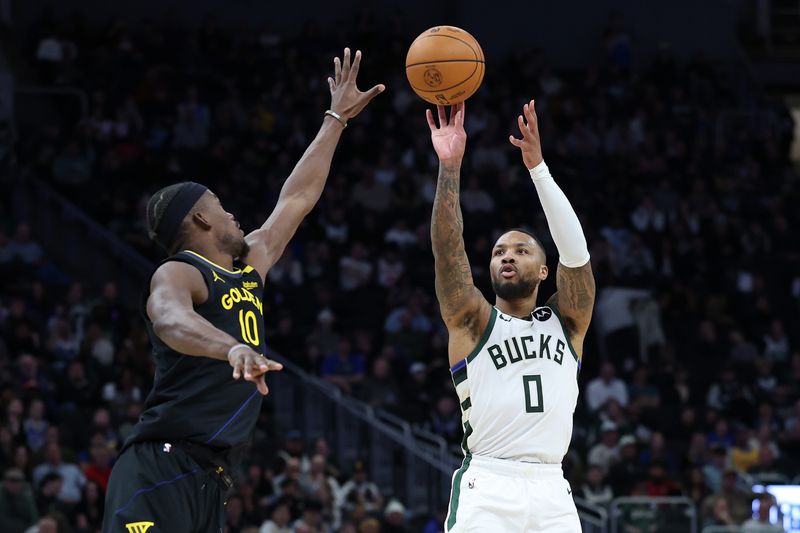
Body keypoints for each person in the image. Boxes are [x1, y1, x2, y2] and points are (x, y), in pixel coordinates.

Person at [102, 48, 384, 533]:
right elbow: (169, 319)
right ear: (200, 218)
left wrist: (335, 118)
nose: (233, 214)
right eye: (221, 205)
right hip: (159, 467)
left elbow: (296, 198)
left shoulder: (249, 263)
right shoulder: (181, 272)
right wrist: (230, 346)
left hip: (211, 479)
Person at [427, 100, 594, 532]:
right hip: (488, 482)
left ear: (543, 270)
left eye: (521, 251)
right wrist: (450, 167)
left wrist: (538, 169)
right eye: (499, 251)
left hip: (552, 488)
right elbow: (448, 250)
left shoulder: (567, 322)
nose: (507, 256)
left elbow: (575, 255)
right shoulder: (473, 321)